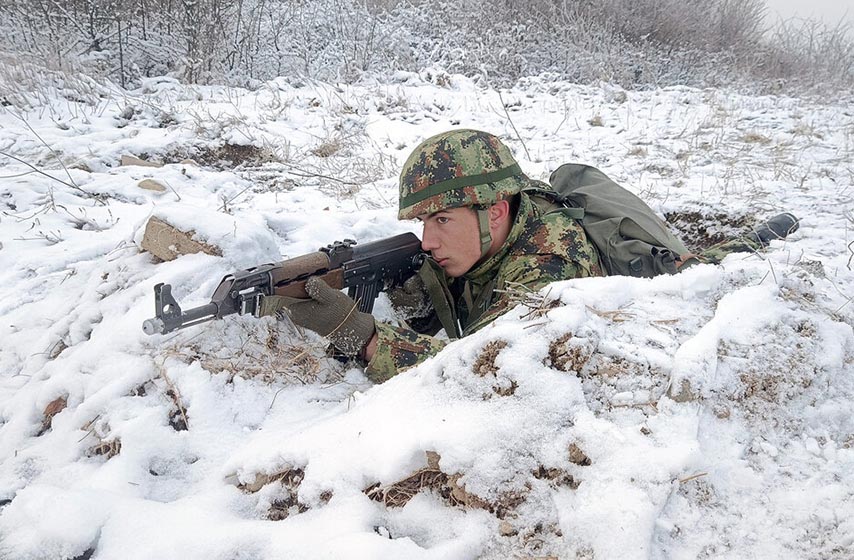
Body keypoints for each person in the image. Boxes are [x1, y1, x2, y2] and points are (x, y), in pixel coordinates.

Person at [264, 129, 798, 382]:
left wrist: (367, 337)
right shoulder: (477, 236)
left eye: (441, 221)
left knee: (717, 263)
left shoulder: (551, 265)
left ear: (495, 211)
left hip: (642, 287)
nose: (427, 242)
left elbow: (480, 374)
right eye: (423, 223)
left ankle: (762, 235)